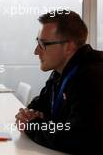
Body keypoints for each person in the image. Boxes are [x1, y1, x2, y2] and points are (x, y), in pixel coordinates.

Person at [15, 10, 103, 154]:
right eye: (37, 43)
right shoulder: (59, 73)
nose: (36, 51)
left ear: (68, 46)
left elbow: (76, 138)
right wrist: (28, 117)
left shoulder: (93, 77)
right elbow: (36, 108)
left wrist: (32, 125)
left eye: (43, 44)